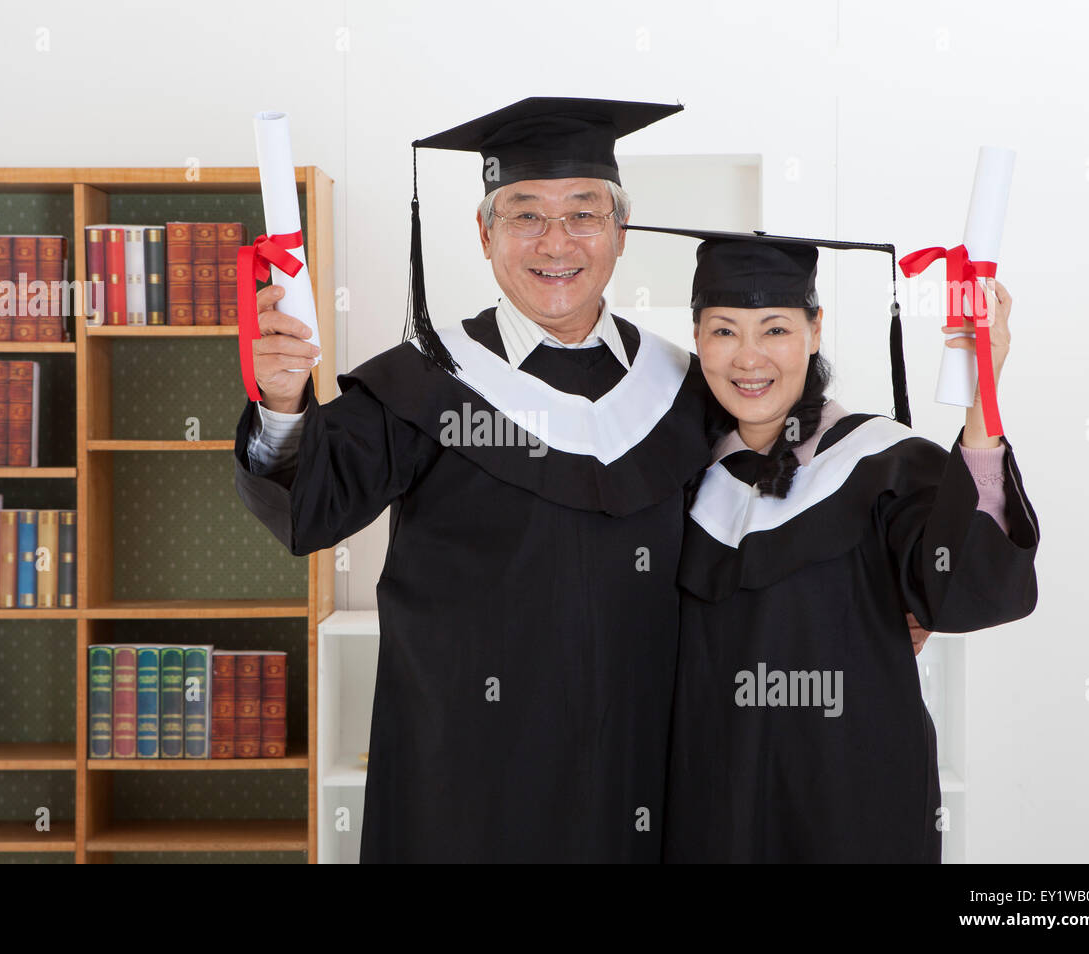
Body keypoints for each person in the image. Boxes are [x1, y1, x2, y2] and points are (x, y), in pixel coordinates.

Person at [232, 98, 728, 862]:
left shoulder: (687, 390)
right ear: (485, 234)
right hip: (470, 778)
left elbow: (762, 524)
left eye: (583, 214)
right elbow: (312, 509)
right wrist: (285, 400)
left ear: (620, 234)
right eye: (525, 215)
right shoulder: (428, 381)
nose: (555, 242)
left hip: (638, 765)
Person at [627, 227, 1040, 863]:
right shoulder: (678, 476)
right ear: (698, 339)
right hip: (715, 801)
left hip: (853, 801)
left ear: (815, 331)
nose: (749, 357)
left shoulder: (882, 463)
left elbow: (962, 591)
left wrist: (984, 394)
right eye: (724, 329)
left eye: (775, 329)